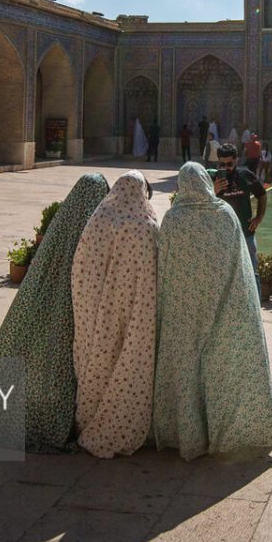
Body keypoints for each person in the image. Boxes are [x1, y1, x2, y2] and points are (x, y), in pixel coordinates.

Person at [0, 173, 109, 452]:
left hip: (44, 306)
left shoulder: (60, 226)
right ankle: (61, 414)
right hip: (80, 310)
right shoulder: (99, 227)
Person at [153, 162, 272, 460]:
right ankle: (226, 432)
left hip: (183, 312)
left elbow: (163, 268)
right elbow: (242, 268)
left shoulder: (172, 219)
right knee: (220, 373)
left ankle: (188, 435)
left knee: (187, 372)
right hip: (222, 308)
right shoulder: (225, 215)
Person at [71, 172, 158, 458]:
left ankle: (88, 416)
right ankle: (118, 423)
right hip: (134, 310)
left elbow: (81, 267)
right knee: (127, 358)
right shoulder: (146, 225)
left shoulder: (98, 219)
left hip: (95, 307)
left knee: (97, 355)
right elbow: (151, 273)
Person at [214, 143, 268, 293]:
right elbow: (202, 203)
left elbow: (262, 194)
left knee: (252, 273)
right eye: (222, 164)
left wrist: (259, 218)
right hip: (222, 236)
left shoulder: (245, 176)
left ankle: (256, 310)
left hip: (246, 234)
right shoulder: (212, 179)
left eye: (230, 164)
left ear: (236, 160)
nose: (226, 168)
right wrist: (213, 190)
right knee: (223, 276)